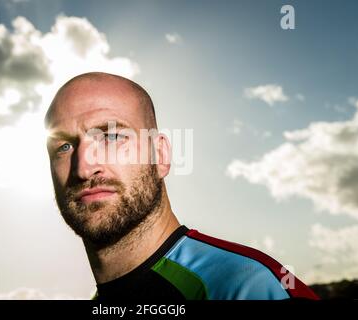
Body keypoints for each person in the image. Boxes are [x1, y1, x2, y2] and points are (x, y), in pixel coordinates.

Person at [44, 72, 319, 300]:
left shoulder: (247, 287)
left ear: (160, 155)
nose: (84, 168)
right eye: (64, 146)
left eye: (112, 136)